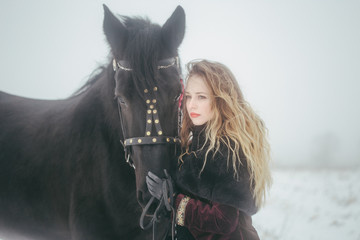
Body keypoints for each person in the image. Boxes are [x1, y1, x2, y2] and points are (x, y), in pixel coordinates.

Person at [147, 59, 272, 240]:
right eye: (188, 96)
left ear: (221, 100)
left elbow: (223, 220)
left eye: (201, 97)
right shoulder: (197, 145)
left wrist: (172, 200)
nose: (192, 105)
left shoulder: (227, 150)